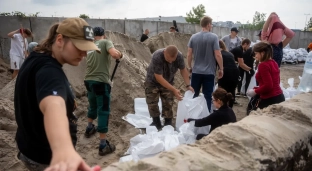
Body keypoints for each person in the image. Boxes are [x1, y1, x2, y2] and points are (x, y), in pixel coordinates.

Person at [14, 18, 101, 171]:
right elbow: (54, 104)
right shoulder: (50, 71)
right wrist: (63, 150)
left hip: (31, 147)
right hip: (47, 159)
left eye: (87, 48)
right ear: (60, 40)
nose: (85, 54)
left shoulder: (37, 57)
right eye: (80, 47)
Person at [84, 26, 123, 156]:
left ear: (93, 35)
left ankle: (89, 127)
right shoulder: (106, 42)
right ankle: (102, 145)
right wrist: (120, 54)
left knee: (93, 104)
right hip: (101, 81)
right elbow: (114, 54)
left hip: (88, 81)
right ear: (104, 35)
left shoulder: (89, 45)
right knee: (103, 110)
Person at [145, 45, 194, 129]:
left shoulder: (179, 56)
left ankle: (168, 123)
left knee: (168, 102)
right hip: (152, 82)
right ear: (164, 52)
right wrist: (174, 89)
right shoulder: (157, 56)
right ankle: (156, 122)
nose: (170, 62)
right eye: (168, 60)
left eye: (173, 60)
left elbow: (183, 70)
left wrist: (188, 85)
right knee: (152, 103)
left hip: (168, 81)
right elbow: (159, 77)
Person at [187, 16, 223, 112]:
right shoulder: (214, 37)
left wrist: (189, 66)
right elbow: (218, 54)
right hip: (209, 72)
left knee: (193, 94)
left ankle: (192, 115)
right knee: (208, 96)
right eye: (211, 24)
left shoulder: (193, 37)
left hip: (196, 71)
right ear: (208, 25)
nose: (211, 26)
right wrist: (221, 68)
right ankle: (206, 117)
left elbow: (189, 54)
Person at [247, 41, 285, 109]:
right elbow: (276, 81)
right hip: (279, 96)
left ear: (263, 53)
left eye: (256, 53)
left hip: (270, 99)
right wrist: (259, 87)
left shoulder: (263, 65)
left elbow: (268, 85)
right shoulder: (274, 63)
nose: (255, 56)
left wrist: (255, 91)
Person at [217, 40, 239, 108]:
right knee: (231, 91)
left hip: (225, 72)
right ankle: (230, 108)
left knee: (222, 91)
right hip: (235, 72)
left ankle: (223, 108)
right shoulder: (230, 53)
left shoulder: (218, 54)